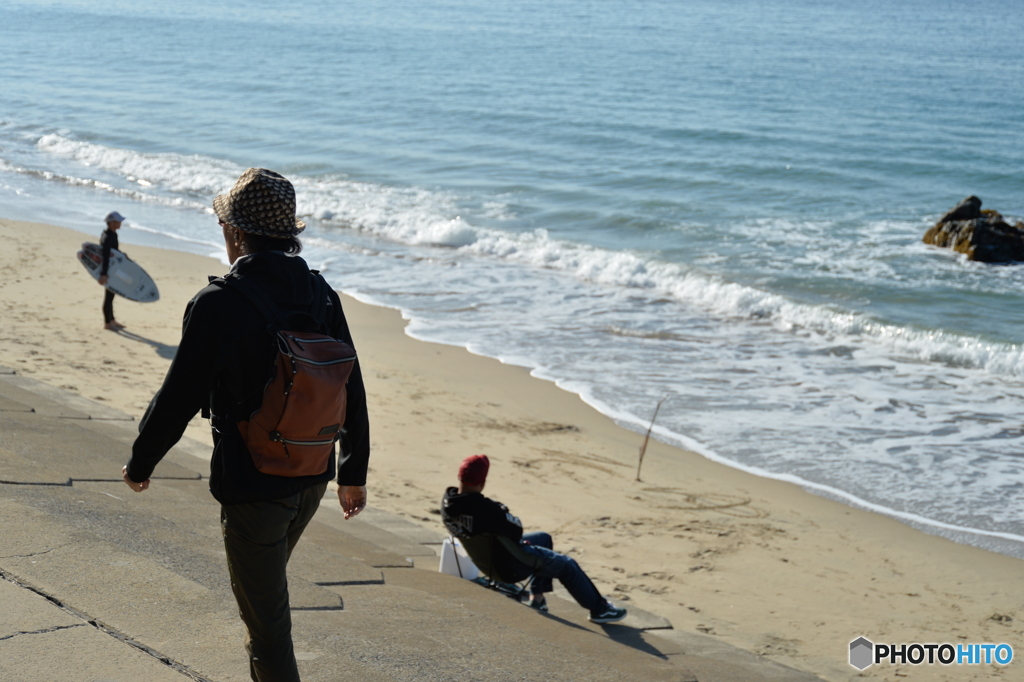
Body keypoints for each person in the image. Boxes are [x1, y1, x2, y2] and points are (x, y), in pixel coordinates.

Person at [120, 168, 371, 682]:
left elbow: (180, 395)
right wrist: (352, 472)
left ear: (235, 231)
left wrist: (142, 461)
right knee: (264, 603)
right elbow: (350, 385)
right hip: (311, 473)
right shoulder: (322, 294)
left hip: (253, 484)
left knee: (268, 630)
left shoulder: (219, 303)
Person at [441, 454, 627, 624]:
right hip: (509, 567)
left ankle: (537, 599)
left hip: (489, 560)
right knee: (568, 565)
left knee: (543, 538)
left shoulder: (448, 503)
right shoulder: (486, 510)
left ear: (459, 477)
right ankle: (599, 610)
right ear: (482, 482)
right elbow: (516, 529)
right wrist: (501, 509)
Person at [99, 210, 126, 330]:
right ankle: (106, 323)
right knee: (109, 296)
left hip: (113, 268)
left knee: (112, 295)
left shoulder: (112, 234)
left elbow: (113, 252)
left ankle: (112, 319)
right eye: (118, 221)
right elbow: (105, 256)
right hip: (108, 270)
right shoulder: (108, 237)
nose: (120, 223)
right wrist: (104, 274)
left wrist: (122, 255)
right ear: (111, 223)